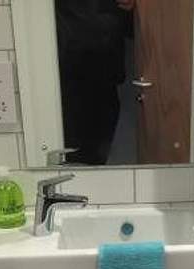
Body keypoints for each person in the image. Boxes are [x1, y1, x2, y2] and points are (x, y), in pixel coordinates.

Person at [55, 0, 135, 165]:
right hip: (68, 74)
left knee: (94, 152)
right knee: (76, 153)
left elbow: (134, 26)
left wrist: (134, 8)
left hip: (103, 76)